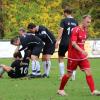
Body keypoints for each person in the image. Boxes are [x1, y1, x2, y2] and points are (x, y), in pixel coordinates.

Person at [57, 15, 100, 96]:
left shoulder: (85, 30)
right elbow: (73, 43)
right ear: (83, 20)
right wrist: (82, 51)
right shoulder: (76, 29)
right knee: (69, 74)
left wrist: (82, 52)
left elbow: (82, 42)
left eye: (89, 22)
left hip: (82, 57)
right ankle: (60, 90)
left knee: (88, 72)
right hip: (73, 56)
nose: (88, 24)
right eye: (87, 22)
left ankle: (93, 91)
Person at [55, 8, 78, 80]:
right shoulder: (75, 21)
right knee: (73, 58)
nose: (63, 14)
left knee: (60, 57)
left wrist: (57, 41)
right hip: (73, 42)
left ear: (66, 13)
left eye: (64, 13)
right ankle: (73, 75)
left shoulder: (63, 20)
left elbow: (61, 31)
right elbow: (77, 32)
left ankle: (62, 75)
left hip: (64, 42)